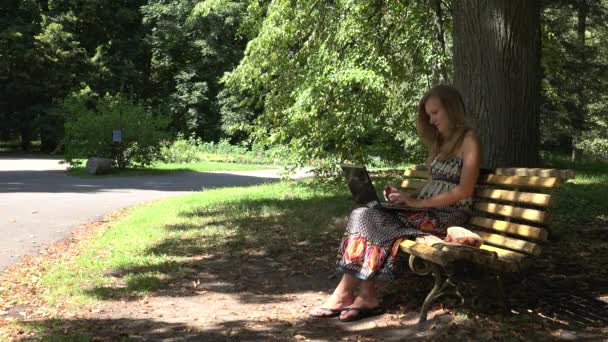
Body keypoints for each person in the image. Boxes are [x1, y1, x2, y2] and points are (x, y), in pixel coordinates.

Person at [309, 84, 482, 322]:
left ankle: (347, 294)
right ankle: (362, 293)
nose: (431, 120)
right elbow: (437, 184)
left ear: (452, 110)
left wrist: (417, 203)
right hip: (427, 210)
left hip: (447, 216)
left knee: (371, 218)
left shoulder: (469, 140)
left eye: (435, 113)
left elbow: (464, 190)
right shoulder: (441, 142)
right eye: (428, 115)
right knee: (363, 214)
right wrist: (404, 198)